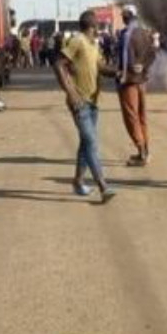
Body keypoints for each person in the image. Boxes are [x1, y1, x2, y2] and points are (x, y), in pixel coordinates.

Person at [54, 10, 117, 203]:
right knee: (91, 142)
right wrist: (71, 93)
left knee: (85, 143)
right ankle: (103, 186)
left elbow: (102, 68)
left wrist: (120, 71)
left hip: (93, 103)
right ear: (93, 26)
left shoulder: (93, 45)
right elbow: (58, 64)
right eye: (98, 25)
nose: (99, 28)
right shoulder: (78, 41)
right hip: (79, 102)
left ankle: (78, 181)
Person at [116, 5, 156, 166]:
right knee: (142, 116)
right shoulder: (144, 33)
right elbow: (153, 54)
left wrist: (123, 76)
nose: (122, 17)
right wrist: (143, 66)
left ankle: (142, 153)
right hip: (142, 81)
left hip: (130, 82)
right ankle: (146, 149)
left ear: (127, 16)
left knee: (131, 117)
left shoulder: (127, 34)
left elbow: (125, 58)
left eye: (123, 15)